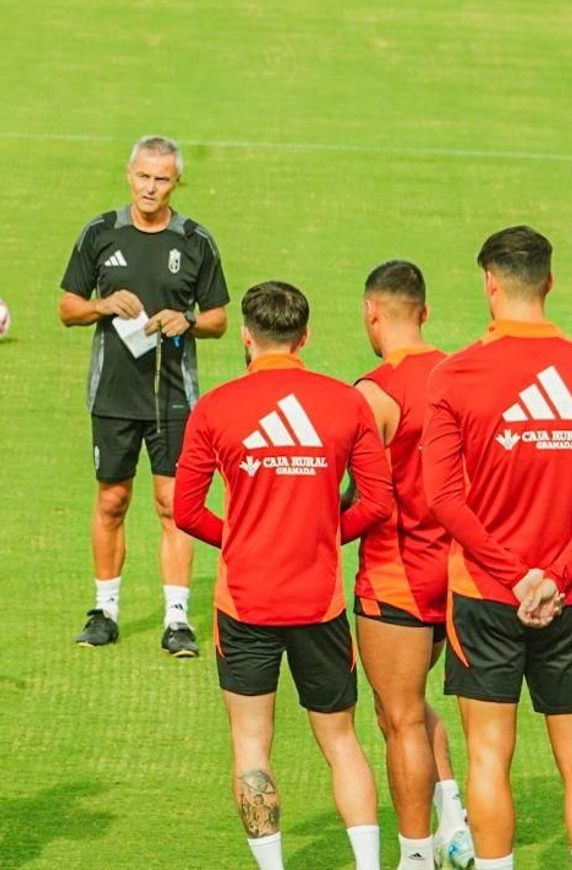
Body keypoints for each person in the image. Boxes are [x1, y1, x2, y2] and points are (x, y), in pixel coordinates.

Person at [423, 226, 572, 870]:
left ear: (490, 284)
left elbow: (444, 499)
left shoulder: (454, 374)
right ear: (549, 281)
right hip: (571, 600)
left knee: (489, 753)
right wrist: (558, 575)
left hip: (487, 596)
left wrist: (516, 577)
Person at [173, 281, 393, 870]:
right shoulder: (345, 403)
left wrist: (244, 538)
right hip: (319, 603)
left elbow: (187, 510)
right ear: (306, 336)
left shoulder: (216, 408)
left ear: (246, 335)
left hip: (244, 604)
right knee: (341, 742)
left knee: (251, 744)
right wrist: (321, 533)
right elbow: (376, 502)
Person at [59, 135, 230, 656]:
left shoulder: (196, 240)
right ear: (128, 174)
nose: (150, 187)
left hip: (174, 397)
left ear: (176, 181)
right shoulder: (99, 233)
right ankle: (104, 610)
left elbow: (220, 319)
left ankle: (177, 618)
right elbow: (68, 307)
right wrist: (103, 304)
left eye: (162, 178)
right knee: (112, 499)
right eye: (143, 176)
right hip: (112, 394)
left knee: (173, 505)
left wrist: (189, 319)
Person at [350, 260, 474, 869]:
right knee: (410, 706)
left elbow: (351, 493)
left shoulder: (373, 391)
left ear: (372, 312)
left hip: (395, 574)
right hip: (461, 571)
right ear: (424, 312)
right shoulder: (462, 375)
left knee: (397, 718)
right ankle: (455, 819)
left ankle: (416, 858)